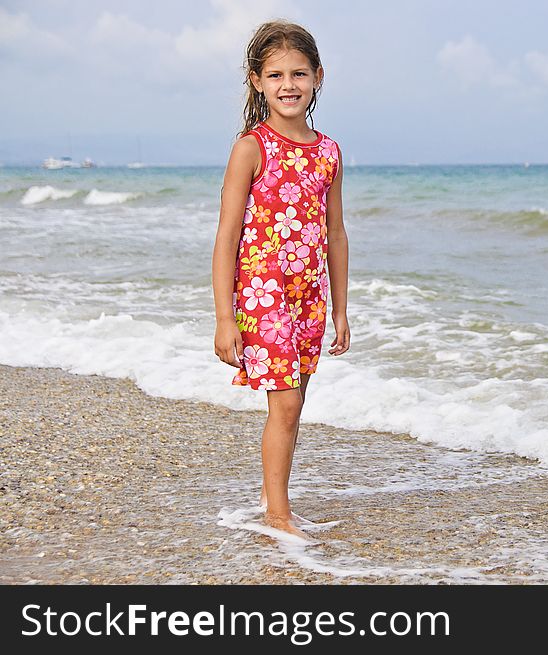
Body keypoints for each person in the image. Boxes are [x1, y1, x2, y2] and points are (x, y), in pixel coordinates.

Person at [211, 20, 350, 542]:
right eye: (276, 75)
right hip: (261, 296)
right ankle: (277, 515)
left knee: (296, 404)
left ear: (318, 77)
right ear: (256, 81)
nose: (288, 84)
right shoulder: (252, 147)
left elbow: (335, 233)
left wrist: (339, 309)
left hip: (309, 298)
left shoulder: (329, 152)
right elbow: (226, 237)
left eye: (298, 73)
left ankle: (274, 499)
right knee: (286, 404)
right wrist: (226, 318)